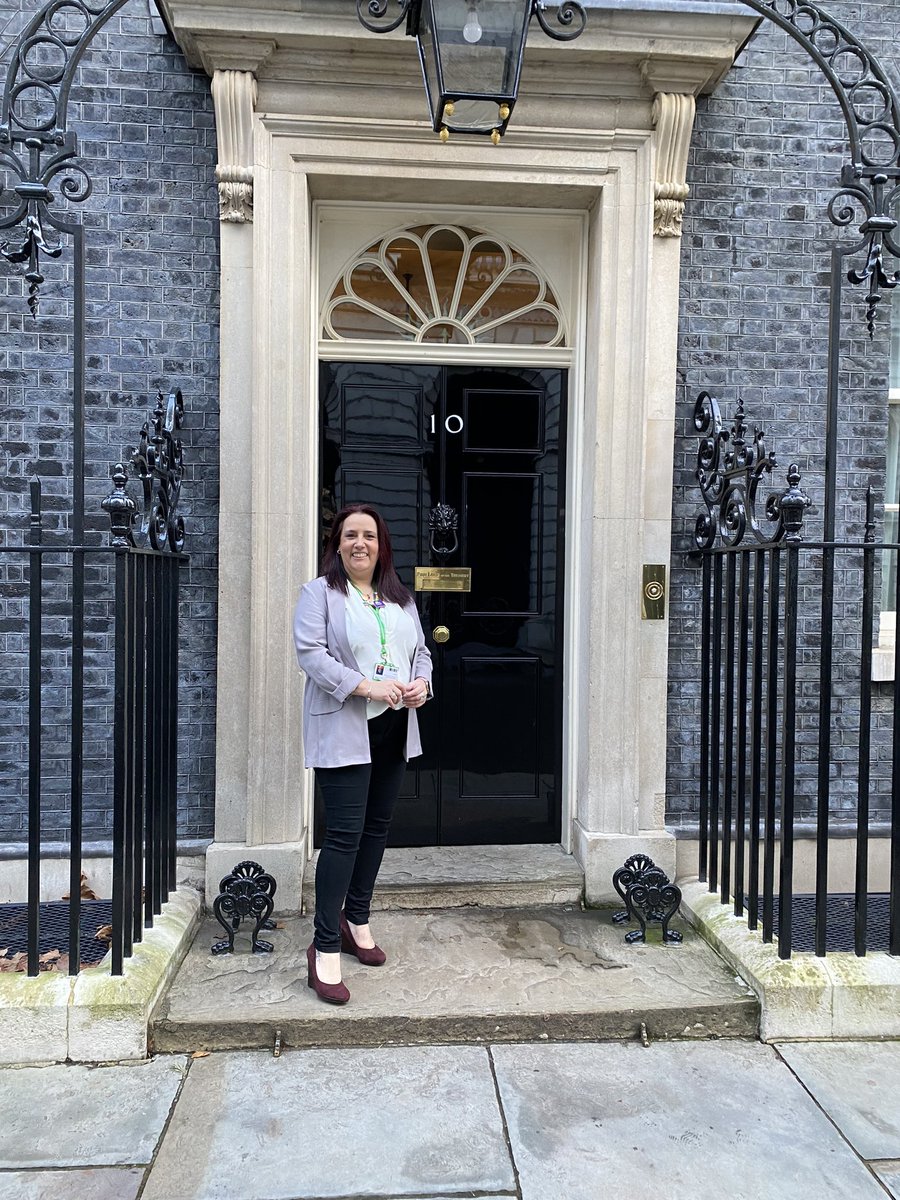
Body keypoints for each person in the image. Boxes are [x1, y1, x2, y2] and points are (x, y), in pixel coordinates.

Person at [293, 503, 433, 1005]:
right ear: (337, 544)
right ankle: (324, 947)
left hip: (395, 727)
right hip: (346, 728)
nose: (360, 543)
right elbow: (311, 655)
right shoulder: (319, 594)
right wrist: (365, 687)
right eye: (350, 535)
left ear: (381, 545)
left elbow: (421, 651)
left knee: (376, 828)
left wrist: (421, 683)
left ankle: (357, 921)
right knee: (345, 836)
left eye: (368, 536)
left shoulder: (399, 597)